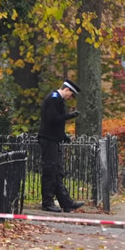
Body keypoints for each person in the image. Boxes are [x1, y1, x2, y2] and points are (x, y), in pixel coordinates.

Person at [38, 79, 85, 213]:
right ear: (67, 90)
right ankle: (47, 203)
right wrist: (68, 116)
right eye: (71, 94)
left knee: (57, 171)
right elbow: (52, 119)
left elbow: (57, 124)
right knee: (50, 170)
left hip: (54, 139)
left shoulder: (58, 99)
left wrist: (64, 136)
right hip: (48, 139)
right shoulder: (53, 98)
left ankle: (66, 203)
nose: (70, 97)